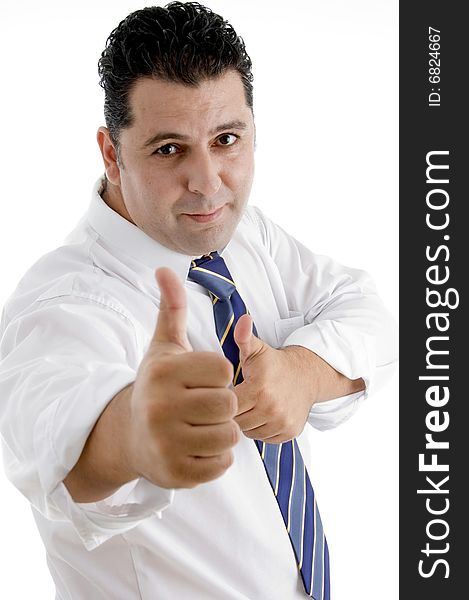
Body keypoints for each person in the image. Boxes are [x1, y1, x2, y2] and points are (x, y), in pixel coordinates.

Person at [0, 2, 398, 599]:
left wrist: (303, 374)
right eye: (168, 149)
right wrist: (136, 432)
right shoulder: (61, 302)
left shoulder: (243, 234)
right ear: (111, 152)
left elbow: (369, 312)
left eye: (226, 139)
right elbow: (55, 442)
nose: (208, 182)